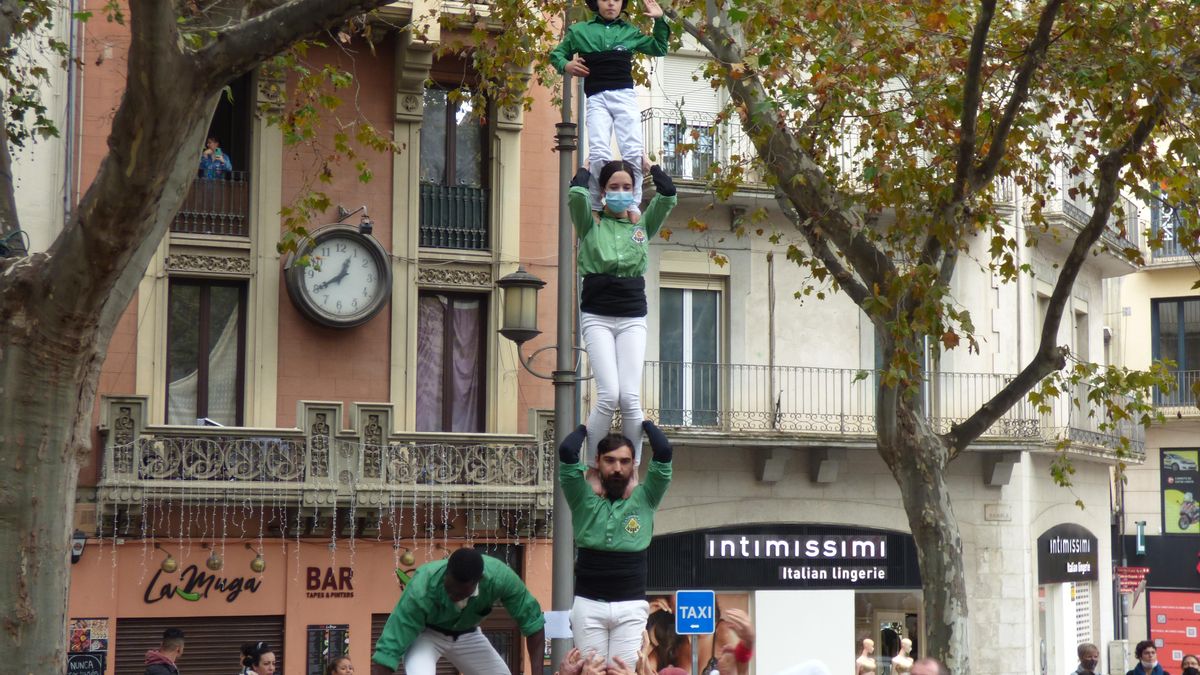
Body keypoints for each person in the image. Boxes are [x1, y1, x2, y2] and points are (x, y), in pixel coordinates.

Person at [568, 161, 677, 494]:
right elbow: (574, 196)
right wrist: (586, 168)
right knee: (608, 394)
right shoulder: (591, 225)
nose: (620, 192)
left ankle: (631, 469)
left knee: (630, 398)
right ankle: (592, 466)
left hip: (632, 317)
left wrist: (651, 167)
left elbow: (668, 196)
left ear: (634, 193)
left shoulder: (640, 227)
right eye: (613, 187)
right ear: (602, 193)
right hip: (597, 315)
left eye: (626, 187)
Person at [558, 421, 674, 669]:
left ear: (633, 465)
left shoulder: (646, 497)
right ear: (597, 461)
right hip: (588, 606)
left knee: (624, 671)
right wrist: (584, 428)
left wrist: (645, 425)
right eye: (610, 461)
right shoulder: (581, 496)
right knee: (591, 671)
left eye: (624, 461)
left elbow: (663, 452)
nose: (617, 468)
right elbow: (567, 452)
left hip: (630, 607)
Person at [550, 0, 671, 222]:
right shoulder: (580, 31)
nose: (611, 3)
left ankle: (633, 205)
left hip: (624, 97)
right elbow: (556, 54)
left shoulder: (630, 31)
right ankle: (595, 204)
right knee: (599, 153)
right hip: (596, 98)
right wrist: (566, 65)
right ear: (596, 2)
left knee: (633, 151)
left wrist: (659, 20)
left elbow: (660, 48)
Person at [370, 547, 546, 675]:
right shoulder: (421, 587)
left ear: (478, 581)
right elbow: (389, 649)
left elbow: (533, 622)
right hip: (427, 635)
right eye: (449, 589)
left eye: (460, 593)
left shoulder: (500, 578)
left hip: (468, 635)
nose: (453, 595)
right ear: (447, 573)